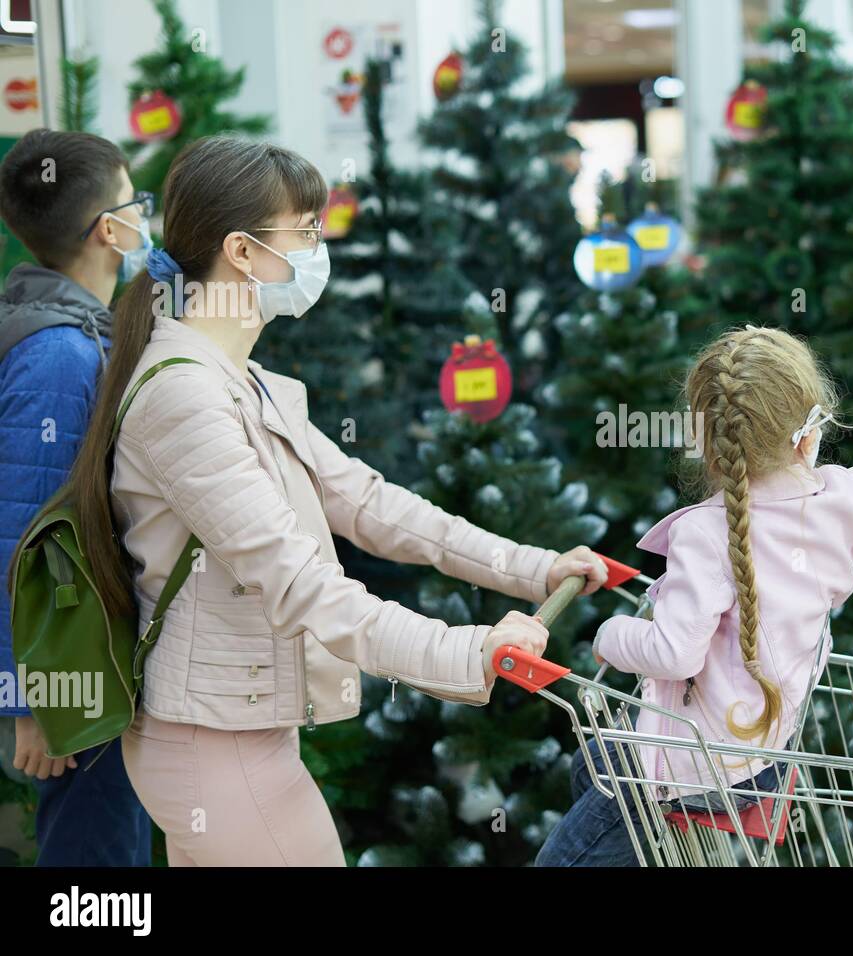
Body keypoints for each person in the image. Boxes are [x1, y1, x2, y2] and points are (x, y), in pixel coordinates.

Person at [43, 134, 607, 866]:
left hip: (234, 737)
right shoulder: (183, 395)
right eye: (305, 231)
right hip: (216, 750)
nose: (319, 249)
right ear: (242, 252)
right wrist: (468, 649)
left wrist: (533, 568)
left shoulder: (245, 381)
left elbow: (374, 506)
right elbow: (299, 582)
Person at [536, 325, 853, 866]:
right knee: (594, 762)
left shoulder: (706, 532)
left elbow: (675, 653)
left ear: (707, 444)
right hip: (760, 760)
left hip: (683, 768)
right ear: (808, 433)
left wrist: (609, 637)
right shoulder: (845, 497)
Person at [0, 129, 154, 866]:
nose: (143, 217)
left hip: (88, 652)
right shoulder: (59, 354)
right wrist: (29, 703)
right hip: (72, 664)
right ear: (108, 229)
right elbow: (21, 534)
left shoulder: (79, 333)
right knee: (95, 859)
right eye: (135, 203)